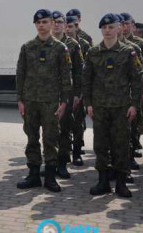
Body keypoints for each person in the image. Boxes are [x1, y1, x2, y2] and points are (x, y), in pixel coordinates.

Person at [83, 13, 142, 198]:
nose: (107, 31)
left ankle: (122, 184)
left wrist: (134, 105)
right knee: (100, 144)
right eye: (104, 28)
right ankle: (103, 182)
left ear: (119, 28)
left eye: (111, 27)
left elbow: (137, 80)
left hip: (121, 108)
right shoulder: (93, 52)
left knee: (121, 145)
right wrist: (88, 104)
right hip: (99, 107)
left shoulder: (129, 52)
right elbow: (87, 80)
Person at [16, 9, 72, 193]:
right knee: (31, 138)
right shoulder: (27, 47)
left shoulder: (60, 48)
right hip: (30, 101)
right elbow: (20, 74)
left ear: (51, 24)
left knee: (50, 139)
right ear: (35, 25)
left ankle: (50, 177)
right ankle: (33, 175)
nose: (42, 25)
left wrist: (64, 102)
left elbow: (66, 77)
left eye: (45, 22)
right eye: (38, 22)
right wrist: (20, 99)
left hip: (50, 102)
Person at [51, 11, 83, 179]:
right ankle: (50, 163)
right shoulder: (44, 43)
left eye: (59, 22)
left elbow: (79, 72)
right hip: (47, 95)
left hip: (66, 95)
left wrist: (77, 94)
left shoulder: (73, 45)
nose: (56, 25)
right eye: (53, 22)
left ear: (65, 25)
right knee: (49, 132)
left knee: (64, 131)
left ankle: (62, 164)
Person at [120, 13, 143, 161]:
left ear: (133, 26)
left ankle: (131, 153)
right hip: (118, 94)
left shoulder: (140, 45)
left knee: (134, 125)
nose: (124, 27)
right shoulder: (112, 43)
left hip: (136, 93)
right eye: (122, 24)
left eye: (127, 24)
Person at [65, 15, 91, 164]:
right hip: (64, 91)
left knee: (78, 123)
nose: (68, 29)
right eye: (66, 26)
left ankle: (77, 152)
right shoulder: (61, 44)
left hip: (77, 90)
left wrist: (81, 92)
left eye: (71, 26)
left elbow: (84, 70)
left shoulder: (84, 44)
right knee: (64, 124)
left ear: (76, 27)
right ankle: (65, 151)